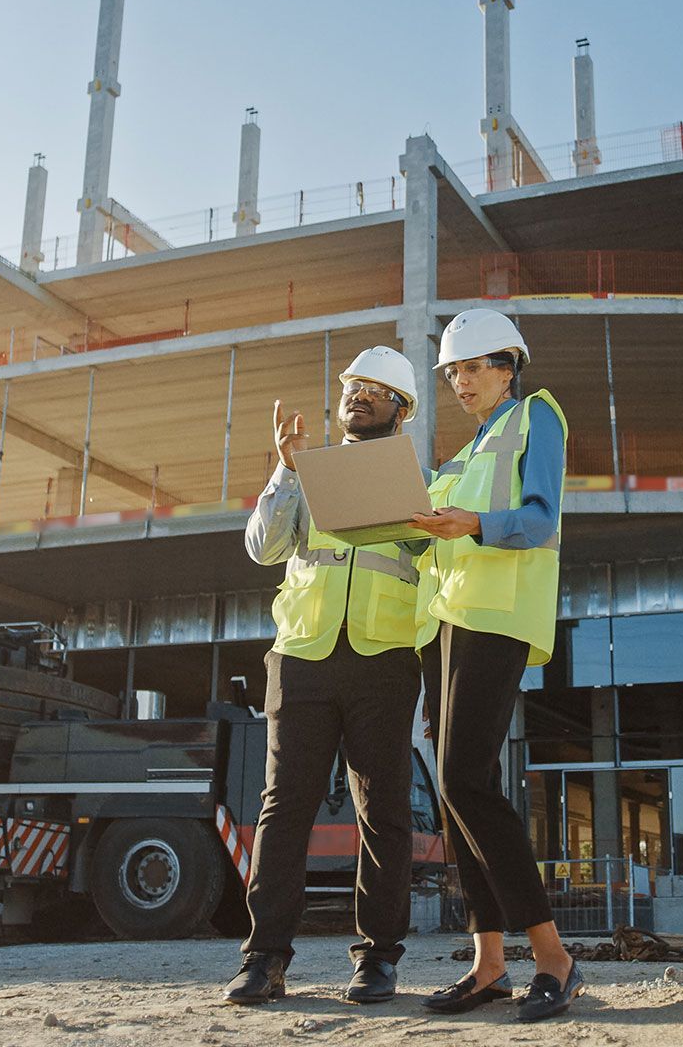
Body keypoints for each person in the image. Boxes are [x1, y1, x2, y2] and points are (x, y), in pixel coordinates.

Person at [222, 345, 437, 1007]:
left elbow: (438, 568)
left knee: (384, 811)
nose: (358, 396)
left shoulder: (424, 484)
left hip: (385, 659)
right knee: (283, 808)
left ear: (401, 410)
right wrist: (286, 471)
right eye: (352, 387)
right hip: (303, 658)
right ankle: (264, 958)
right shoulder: (304, 474)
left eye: (375, 390)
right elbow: (263, 548)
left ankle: (378, 958)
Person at [408, 308, 584, 1024]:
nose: (461, 381)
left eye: (475, 367)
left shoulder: (536, 417)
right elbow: (437, 544)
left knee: (463, 781)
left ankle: (554, 959)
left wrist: (474, 523)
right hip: (445, 626)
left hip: (497, 617)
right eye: (453, 371)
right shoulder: (462, 456)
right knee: (459, 792)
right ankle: (488, 965)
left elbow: (540, 518)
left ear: (509, 367)